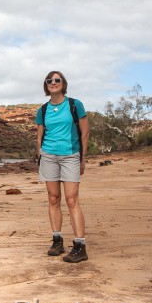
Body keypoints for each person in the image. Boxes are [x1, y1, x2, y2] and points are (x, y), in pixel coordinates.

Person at [35, 71, 90, 263]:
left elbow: (84, 134)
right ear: (46, 85)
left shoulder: (75, 105)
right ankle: (57, 240)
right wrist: (39, 155)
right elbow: (40, 136)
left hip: (70, 156)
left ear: (63, 84)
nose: (53, 83)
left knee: (72, 199)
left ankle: (80, 246)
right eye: (50, 80)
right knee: (53, 198)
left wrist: (83, 158)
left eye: (57, 80)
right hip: (49, 156)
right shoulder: (42, 110)